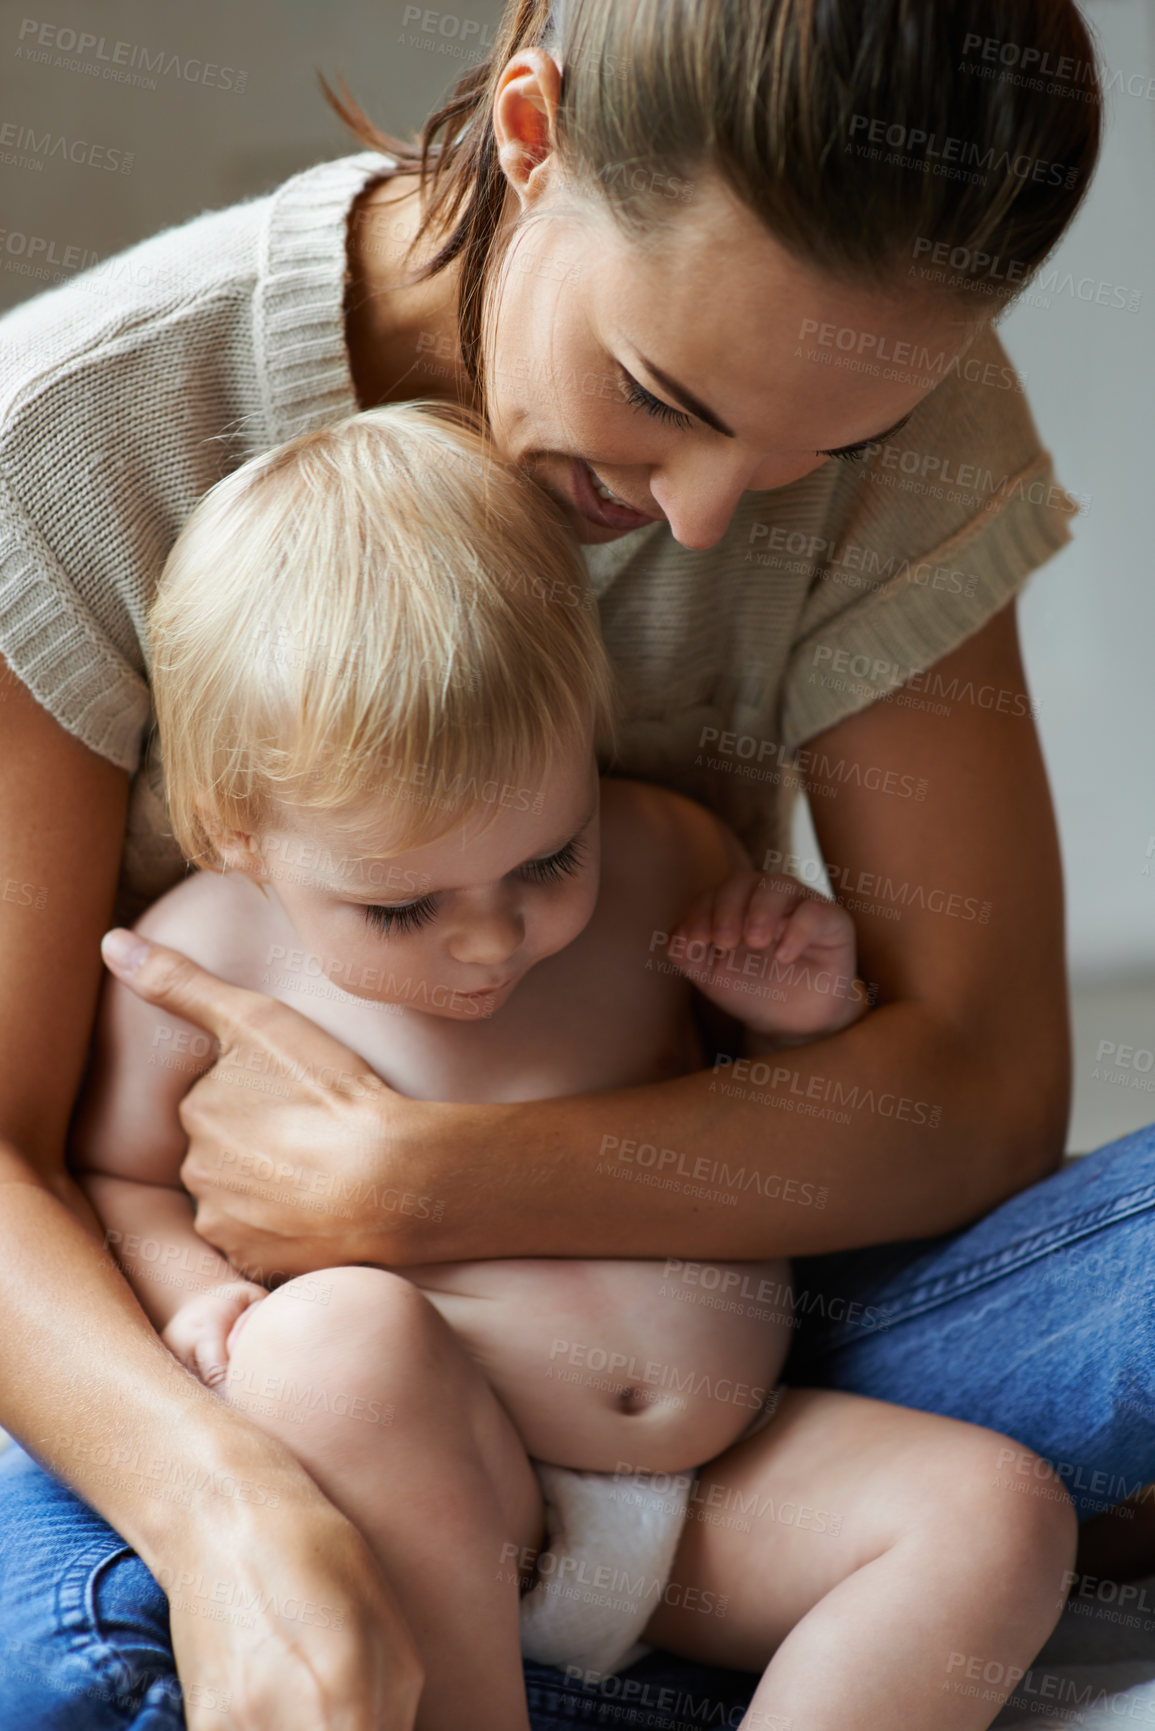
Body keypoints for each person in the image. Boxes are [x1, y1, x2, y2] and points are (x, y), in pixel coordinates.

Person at [0, 1, 1139, 1728]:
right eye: (663, 396)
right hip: (304, 1429)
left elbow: (974, 1097)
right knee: (93, 1658)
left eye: (816, 458)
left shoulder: (900, 436)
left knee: (992, 1505)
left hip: (737, 1416)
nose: (707, 517)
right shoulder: (81, 436)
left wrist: (416, 1185)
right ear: (532, 128)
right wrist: (230, 1516)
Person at [71, 402, 1076, 1731]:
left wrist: (796, 1016)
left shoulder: (668, 859)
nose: (493, 939)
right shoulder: (196, 958)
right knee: (330, 1346)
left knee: (997, 1513)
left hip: (717, 1501)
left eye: (547, 860)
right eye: (402, 909)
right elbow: (115, 1176)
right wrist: (194, 1294)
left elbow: (796, 1128)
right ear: (239, 832)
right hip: (458, 1502)